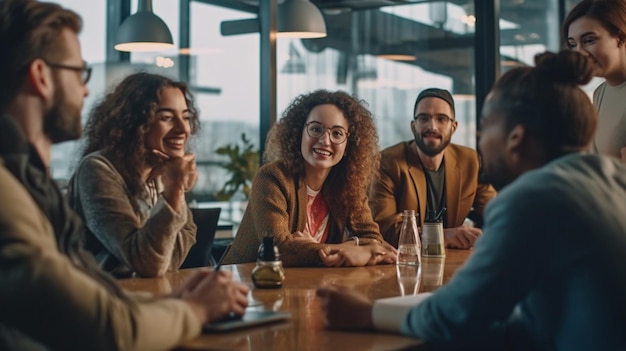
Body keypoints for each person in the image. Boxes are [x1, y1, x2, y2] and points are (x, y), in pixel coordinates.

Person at [316, 50, 626, 350]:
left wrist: (366, 313)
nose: (479, 139)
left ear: (515, 137)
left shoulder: (533, 198)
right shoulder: (615, 180)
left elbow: (455, 315)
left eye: (485, 125)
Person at [0, 1, 248, 350]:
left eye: (185, 116)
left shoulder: (28, 179)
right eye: (79, 72)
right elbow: (122, 302)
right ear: (41, 76)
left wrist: (179, 301)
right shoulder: (24, 187)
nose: (86, 89)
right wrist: (192, 309)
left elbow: (145, 271)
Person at [222, 90, 397, 267]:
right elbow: (280, 249)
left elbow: (373, 240)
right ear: (300, 133)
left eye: (337, 133)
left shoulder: (347, 185)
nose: (325, 140)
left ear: (348, 145)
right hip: (248, 284)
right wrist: (349, 249)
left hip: (309, 285)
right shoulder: (272, 177)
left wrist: (316, 247)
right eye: (316, 129)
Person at [67, 72, 199, 278]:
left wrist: (175, 188)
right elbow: (148, 263)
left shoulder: (161, 172)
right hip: (100, 302)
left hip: (144, 297)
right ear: (136, 123)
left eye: (185, 117)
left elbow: (168, 257)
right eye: (166, 117)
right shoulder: (97, 169)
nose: (183, 129)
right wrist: (174, 190)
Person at [369, 88, 496, 248]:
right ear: (413, 126)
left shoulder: (470, 161)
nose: (432, 126)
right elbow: (385, 231)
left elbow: (496, 210)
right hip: (403, 263)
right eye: (424, 118)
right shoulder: (387, 162)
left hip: (452, 259)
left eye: (441, 119)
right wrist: (442, 236)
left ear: (454, 127)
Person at [563, 0, 626, 162]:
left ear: (620, 38)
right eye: (573, 44)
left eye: (589, 40)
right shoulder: (600, 93)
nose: (580, 53)